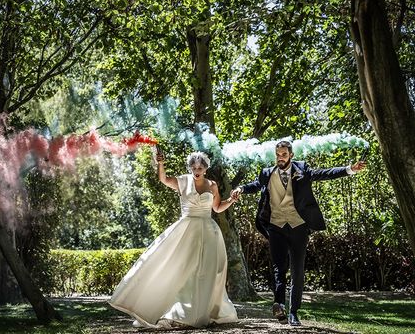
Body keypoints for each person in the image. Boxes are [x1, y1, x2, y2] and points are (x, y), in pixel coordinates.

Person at [230, 140, 366, 327]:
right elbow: (256, 185)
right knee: (279, 268)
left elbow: (323, 174)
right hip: (275, 226)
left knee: (297, 270)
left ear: (291, 155)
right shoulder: (267, 173)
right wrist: (241, 189)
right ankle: (279, 305)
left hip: (298, 226)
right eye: (278, 155)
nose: (280, 158)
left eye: (284, 155)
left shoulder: (302, 169)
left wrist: (349, 169)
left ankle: (293, 312)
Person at [108, 147, 239, 328]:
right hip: (187, 231)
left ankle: (205, 310)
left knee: (208, 272)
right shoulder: (183, 181)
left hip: (210, 232)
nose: (196, 171)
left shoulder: (213, 185)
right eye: (193, 168)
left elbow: (216, 208)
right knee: (184, 270)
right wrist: (160, 163)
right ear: (190, 168)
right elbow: (163, 179)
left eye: (200, 168)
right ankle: (178, 312)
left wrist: (231, 200)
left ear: (206, 168)